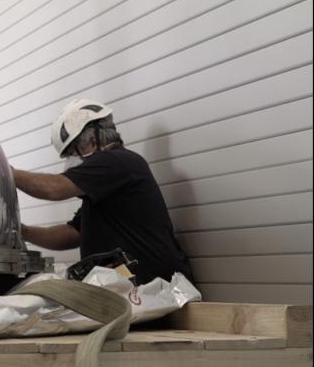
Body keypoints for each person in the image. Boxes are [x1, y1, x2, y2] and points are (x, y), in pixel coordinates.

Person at [13, 99, 192, 284]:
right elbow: (73, 233)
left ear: (92, 142)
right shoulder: (106, 182)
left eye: (73, 152)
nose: (71, 161)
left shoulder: (115, 161)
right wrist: (22, 232)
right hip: (140, 291)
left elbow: (54, 189)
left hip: (157, 291)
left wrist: (8, 173)